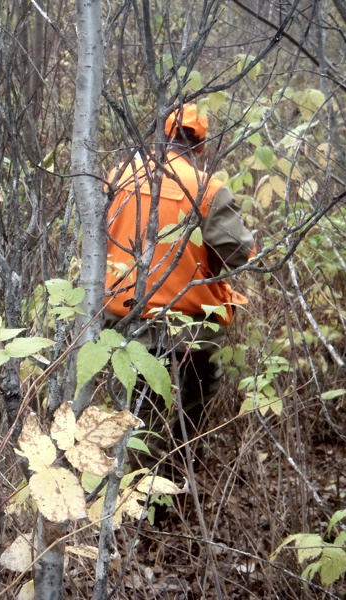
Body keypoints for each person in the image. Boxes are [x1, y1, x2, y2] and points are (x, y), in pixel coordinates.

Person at [103, 103, 255, 472]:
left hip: (125, 316)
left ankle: (134, 493)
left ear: (160, 135)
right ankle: (179, 469)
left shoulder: (119, 174)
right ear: (200, 147)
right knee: (196, 400)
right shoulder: (208, 188)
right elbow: (238, 254)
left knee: (140, 413)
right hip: (194, 325)